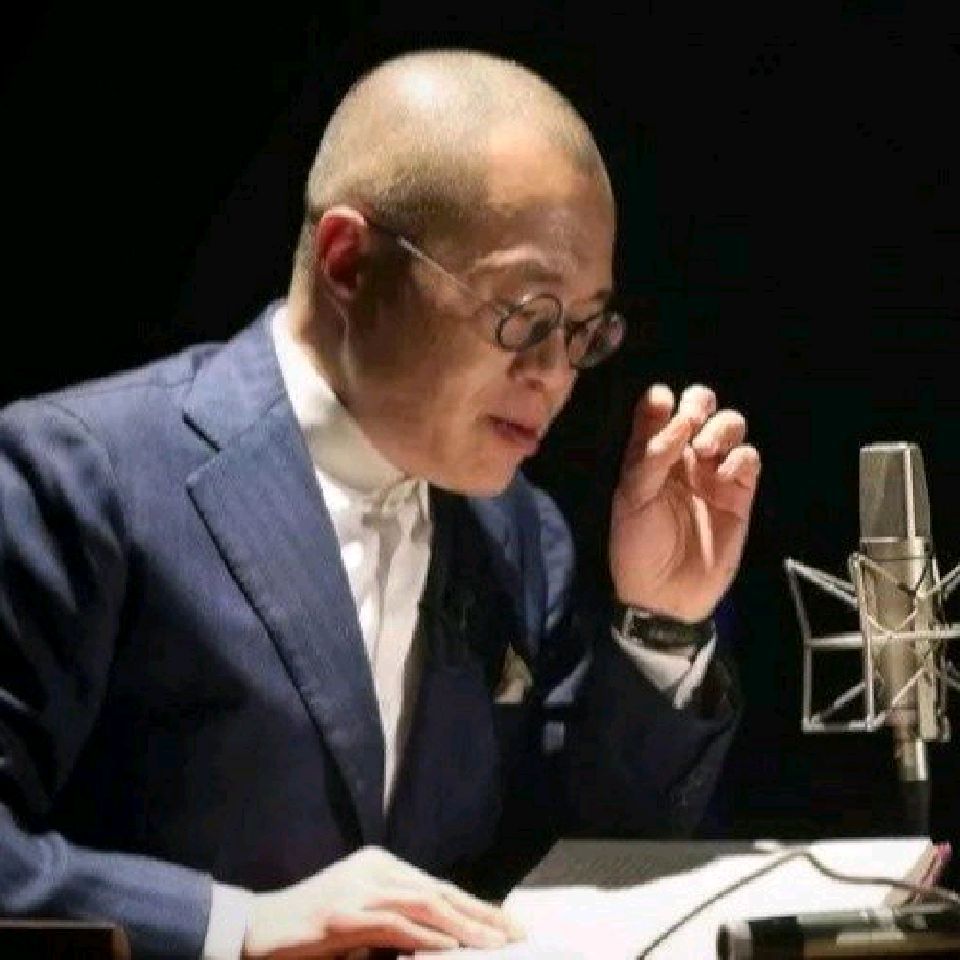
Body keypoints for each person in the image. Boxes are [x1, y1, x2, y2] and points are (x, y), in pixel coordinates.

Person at [0, 49, 760, 960]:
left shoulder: (520, 531)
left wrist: (660, 624)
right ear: (349, 262)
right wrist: (235, 925)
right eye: (524, 314)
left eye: (583, 329)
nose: (554, 373)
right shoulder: (78, 476)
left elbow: (583, 870)